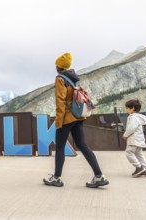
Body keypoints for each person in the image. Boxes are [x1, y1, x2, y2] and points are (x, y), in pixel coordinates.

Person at [43, 52, 109, 188]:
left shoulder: (60, 79)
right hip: (78, 116)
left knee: (60, 147)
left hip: (67, 117)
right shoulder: (74, 78)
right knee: (83, 145)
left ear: (58, 67)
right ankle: (99, 176)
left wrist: (59, 121)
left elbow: (60, 101)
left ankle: (56, 178)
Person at [123, 99, 146, 177]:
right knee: (139, 154)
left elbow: (131, 128)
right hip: (139, 139)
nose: (126, 110)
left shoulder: (133, 117)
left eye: (127, 108)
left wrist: (125, 135)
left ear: (133, 108)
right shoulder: (138, 117)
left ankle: (139, 167)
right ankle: (145, 169)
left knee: (129, 152)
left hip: (133, 140)